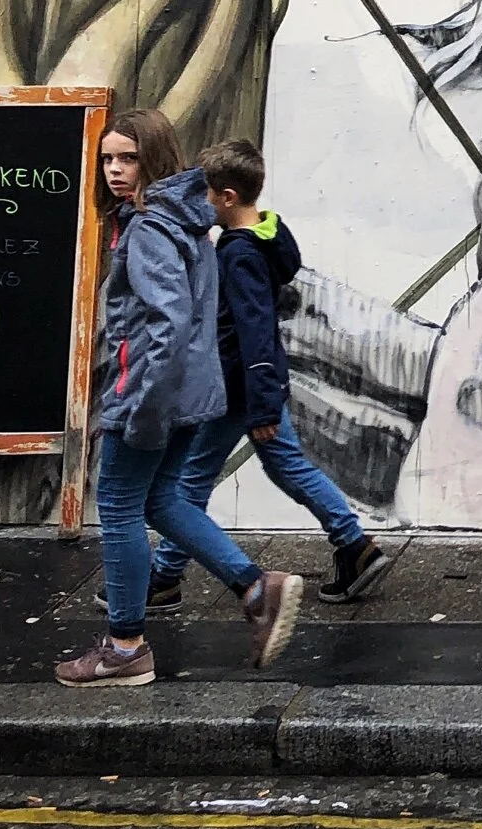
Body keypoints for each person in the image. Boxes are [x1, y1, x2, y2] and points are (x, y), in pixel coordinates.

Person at [55, 109, 304, 688]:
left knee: (118, 506)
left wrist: (139, 405)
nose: (115, 170)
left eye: (129, 158)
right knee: (162, 500)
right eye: (108, 158)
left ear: (156, 158)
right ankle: (254, 588)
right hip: (192, 393)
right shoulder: (190, 220)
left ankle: (125, 647)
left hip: (153, 395)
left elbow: (165, 324)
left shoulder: (149, 228)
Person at [140, 140, 392, 609]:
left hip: (238, 386)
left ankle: (164, 578)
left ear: (227, 197)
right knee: (285, 466)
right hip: (256, 384)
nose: (199, 202)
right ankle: (355, 546)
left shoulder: (239, 255)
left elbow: (253, 330)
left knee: (190, 482)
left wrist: (261, 404)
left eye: (204, 194)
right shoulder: (263, 238)